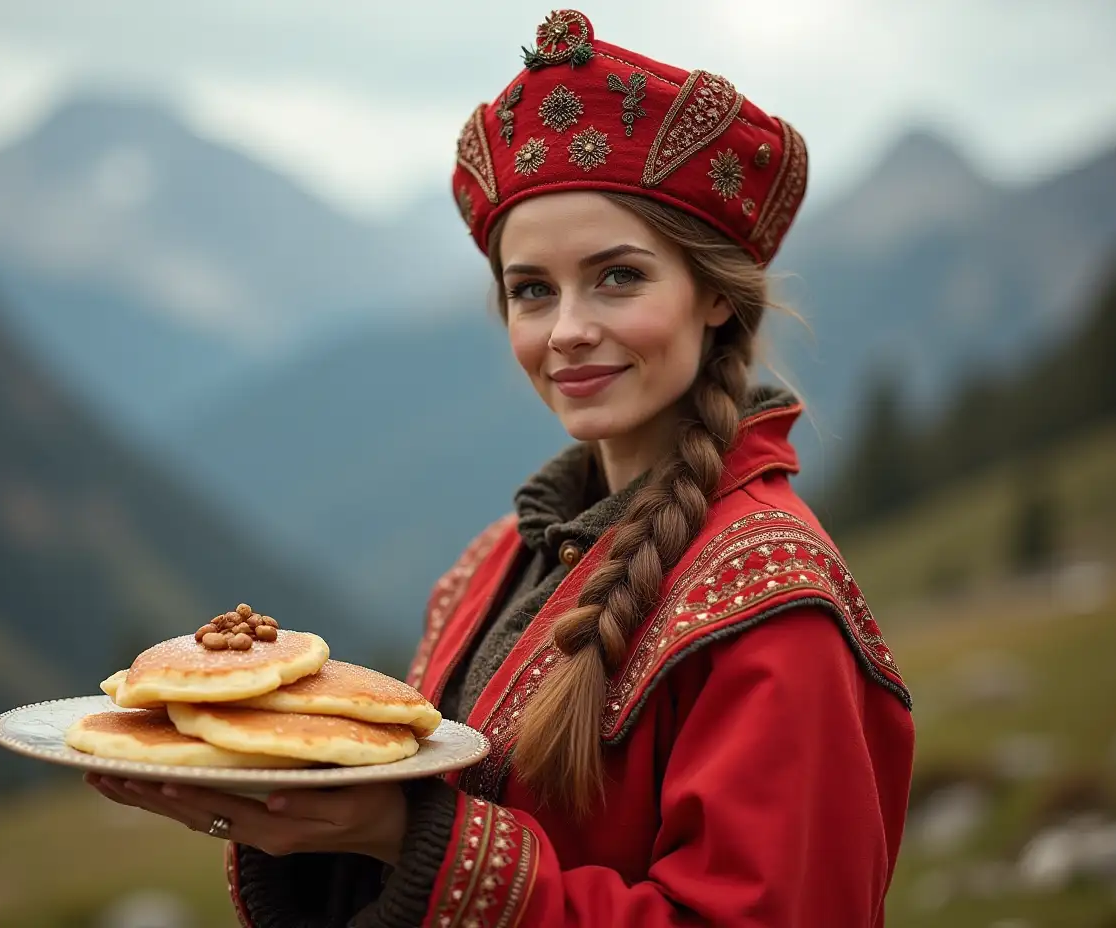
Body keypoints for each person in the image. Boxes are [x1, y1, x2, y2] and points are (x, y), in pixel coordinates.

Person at [87, 10, 914, 927]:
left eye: (618, 277)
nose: (566, 330)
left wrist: (411, 839)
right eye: (532, 290)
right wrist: (312, 821)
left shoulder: (776, 605)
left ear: (715, 292)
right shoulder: (487, 569)